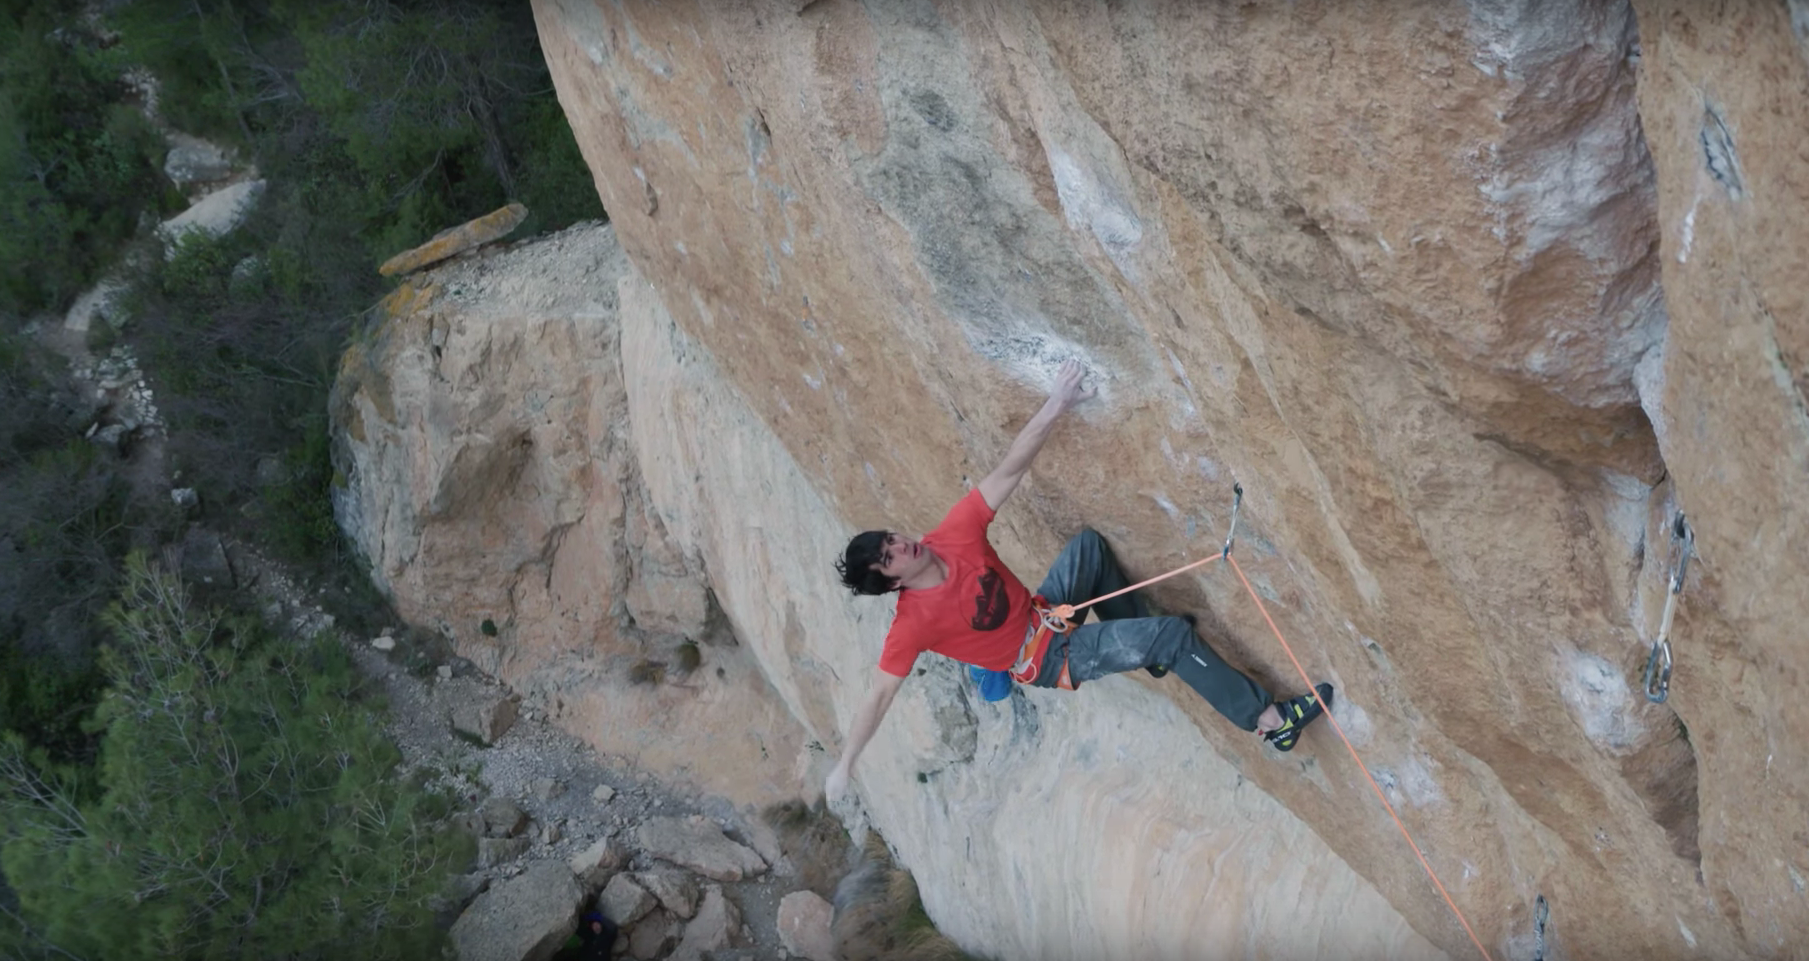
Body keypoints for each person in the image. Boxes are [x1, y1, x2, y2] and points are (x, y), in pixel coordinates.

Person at [825, 360, 1330, 802]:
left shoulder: (951, 535)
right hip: (1047, 658)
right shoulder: (912, 624)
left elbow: (1009, 470)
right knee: (1171, 635)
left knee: (1088, 547)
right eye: (889, 558)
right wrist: (846, 763)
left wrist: (1057, 403)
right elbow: (880, 695)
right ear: (892, 583)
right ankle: (1272, 723)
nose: (901, 546)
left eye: (891, 539)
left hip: (1045, 613)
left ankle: (1145, 647)